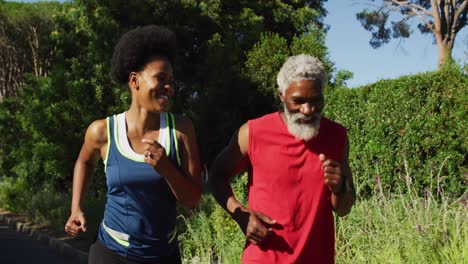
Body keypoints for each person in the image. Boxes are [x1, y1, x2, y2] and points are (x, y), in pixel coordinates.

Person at [64, 25, 202, 264]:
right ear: (135, 80)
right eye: (160, 79)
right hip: (111, 254)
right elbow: (84, 161)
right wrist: (76, 207)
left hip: (164, 256)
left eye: (171, 81)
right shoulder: (103, 131)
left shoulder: (181, 129)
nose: (169, 87)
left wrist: (166, 168)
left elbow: (193, 200)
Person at [208, 54, 356, 264]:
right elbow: (216, 177)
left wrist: (340, 188)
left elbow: (343, 209)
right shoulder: (253, 133)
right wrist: (240, 214)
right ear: (281, 96)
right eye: (298, 101)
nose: (308, 110)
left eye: (316, 101)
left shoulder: (337, 136)